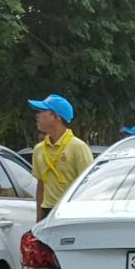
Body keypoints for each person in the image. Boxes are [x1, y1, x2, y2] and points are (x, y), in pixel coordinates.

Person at [28, 93, 93, 222]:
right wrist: (39, 220)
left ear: (56, 117)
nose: (37, 115)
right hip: (48, 212)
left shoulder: (78, 147)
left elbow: (89, 186)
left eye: (42, 111)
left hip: (71, 212)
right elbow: (41, 186)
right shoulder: (39, 149)